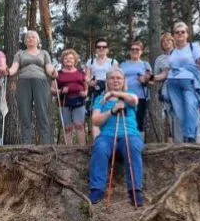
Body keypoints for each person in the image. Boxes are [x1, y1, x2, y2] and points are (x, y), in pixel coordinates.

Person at [87, 69, 144, 207]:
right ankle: (97, 189)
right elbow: (95, 120)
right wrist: (111, 111)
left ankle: (135, 190)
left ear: (124, 80)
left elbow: (134, 101)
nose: (115, 80)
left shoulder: (129, 95)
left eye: (119, 78)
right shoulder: (101, 99)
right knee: (99, 148)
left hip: (129, 134)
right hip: (107, 135)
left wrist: (115, 94)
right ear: (107, 81)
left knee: (133, 147)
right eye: (112, 78)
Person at [7, 30, 57, 145]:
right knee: (25, 114)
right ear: (25, 41)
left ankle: (46, 145)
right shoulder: (20, 54)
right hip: (24, 82)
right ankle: (26, 145)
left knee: (42, 113)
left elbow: (49, 68)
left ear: (37, 40)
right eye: (28, 37)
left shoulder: (44, 53)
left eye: (33, 37)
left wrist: (53, 72)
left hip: (41, 82)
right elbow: (14, 68)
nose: (30, 39)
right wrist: (7, 71)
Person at [162, 22, 200, 143]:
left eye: (183, 32)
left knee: (191, 106)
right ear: (174, 35)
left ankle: (190, 137)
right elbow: (165, 72)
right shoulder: (172, 52)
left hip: (189, 82)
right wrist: (151, 78)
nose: (180, 34)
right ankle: (185, 137)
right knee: (179, 112)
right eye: (177, 32)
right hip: (172, 83)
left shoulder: (193, 47)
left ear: (187, 34)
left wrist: (199, 60)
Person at [52, 49, 88, 145]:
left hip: (79, 101)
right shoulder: (58, 74)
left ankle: (82, 148)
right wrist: (60, 91)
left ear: (75, 60)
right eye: (66, 58)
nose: (69, 60)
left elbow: (86, 85)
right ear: (62, 60)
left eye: (71, 58)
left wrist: (85, 92)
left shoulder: (81, 72)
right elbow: (52, 90)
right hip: (64, 102)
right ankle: (68, 150)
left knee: (79, 125)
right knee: (67, 128)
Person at [121, 40, 153, 135]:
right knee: (126, 120)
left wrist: (145, 80)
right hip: (125, 96)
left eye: (137, 49)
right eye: (132, 49)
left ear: (141, 51)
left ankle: (139, 146)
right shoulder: (123, 65)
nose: (135, 51)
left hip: (141, 96)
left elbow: (152, 81)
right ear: (129, 51)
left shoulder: (145, 65)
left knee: (139, 121)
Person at [152, 33, 177, 142]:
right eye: (163, 41)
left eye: (168, 40)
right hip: (167, 90)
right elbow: (156, 77)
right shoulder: (159, 59)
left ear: (172, 41)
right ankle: (173, 143)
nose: (166, 43)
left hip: (182, 88)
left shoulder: (180, 53)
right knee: (170, 117)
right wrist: (150, 78)